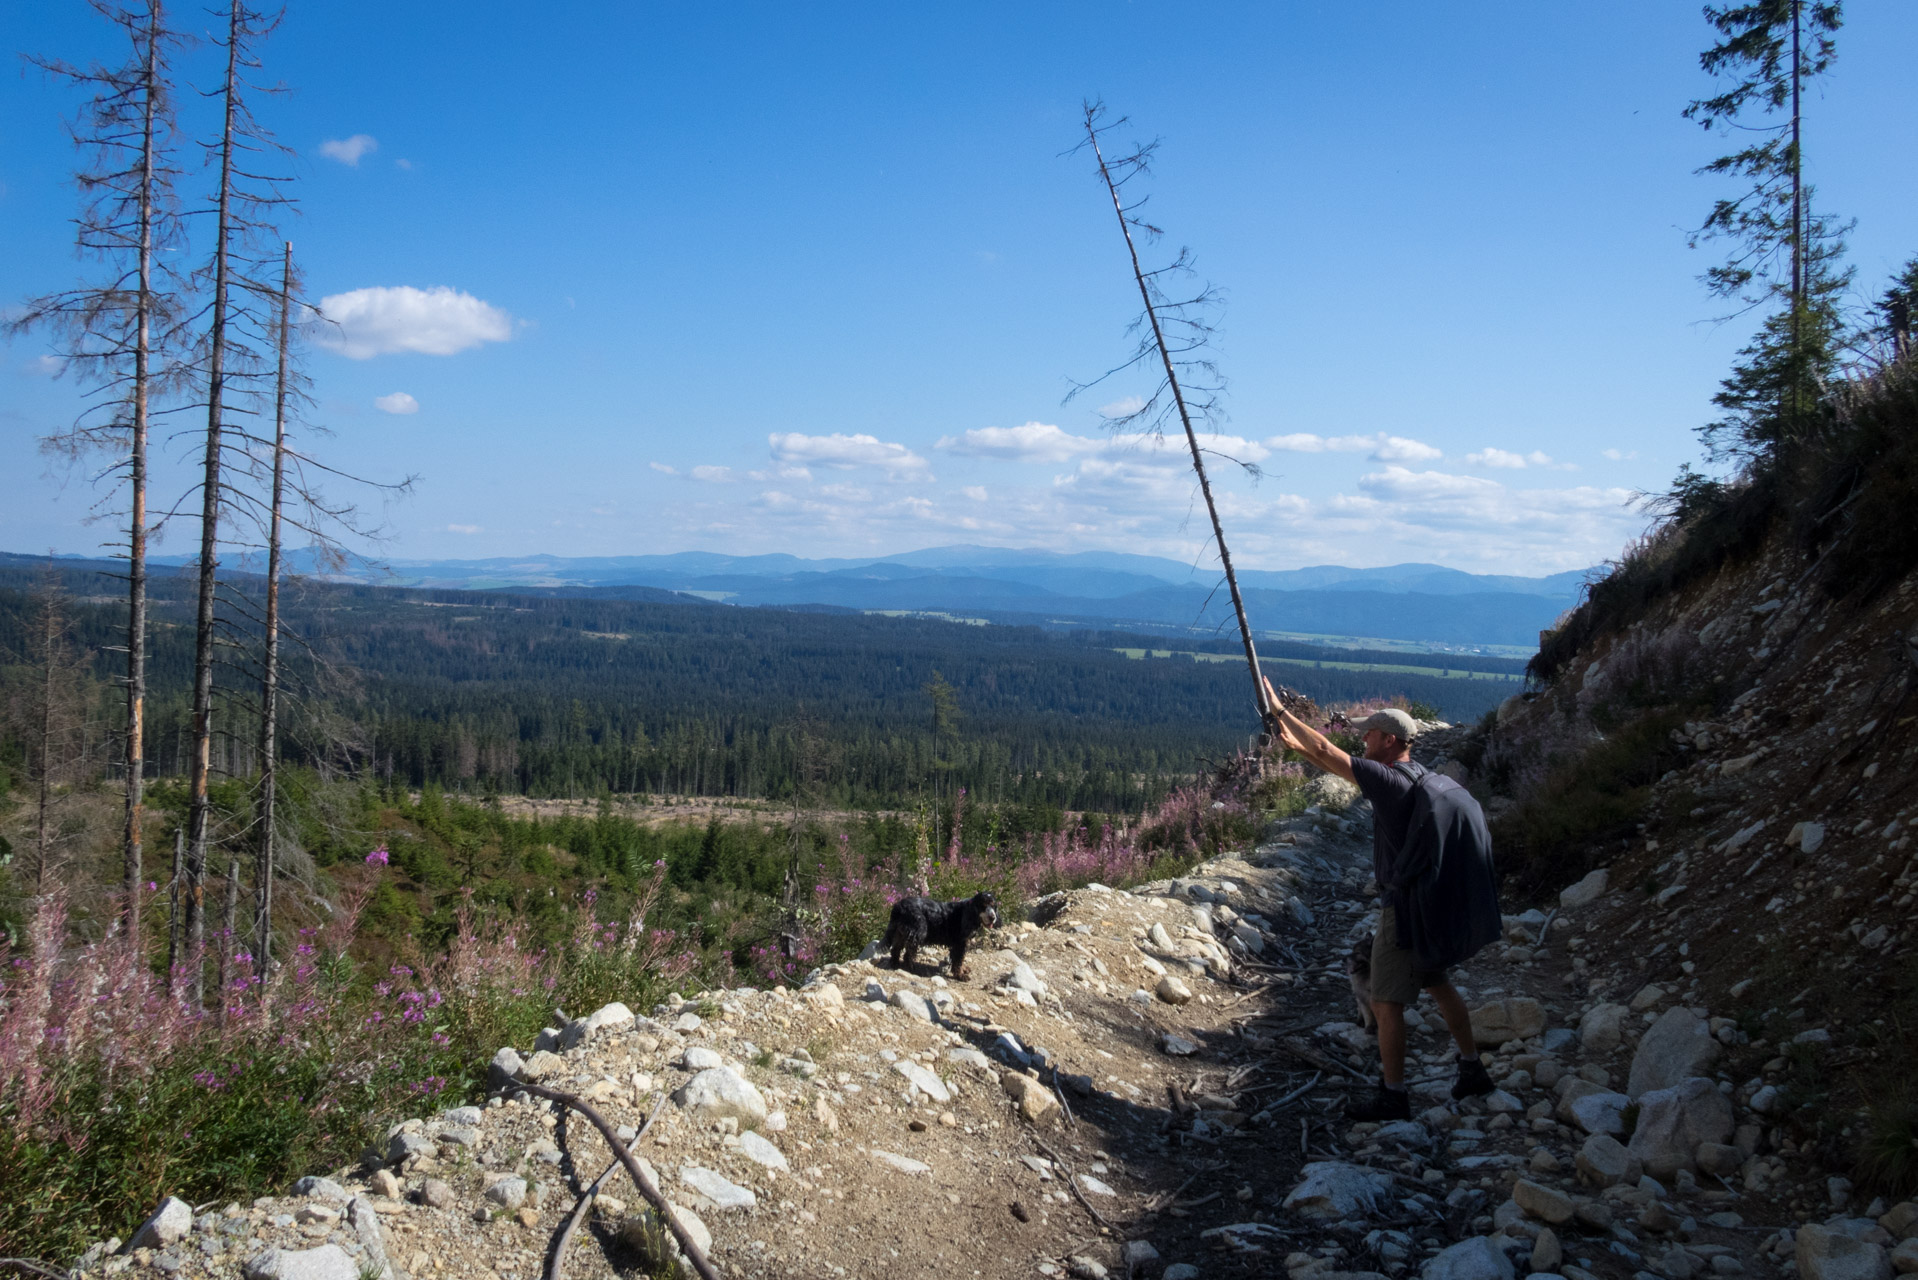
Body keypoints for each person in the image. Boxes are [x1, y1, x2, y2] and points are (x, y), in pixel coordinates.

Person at [1265, 684, 1494, 1121]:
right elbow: (1325, 757)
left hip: (1403, 910)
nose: (1362, 739)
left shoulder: (1385, 779)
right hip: (1427, 904)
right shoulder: (1414, 776)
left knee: (1386, 1003)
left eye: (1368, 734)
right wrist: (1295, 742)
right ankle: (1472, 1069)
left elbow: (1327, 749)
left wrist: (1280, 711)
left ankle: (1394, 1095)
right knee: (1437, 983)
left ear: (1389, 740)